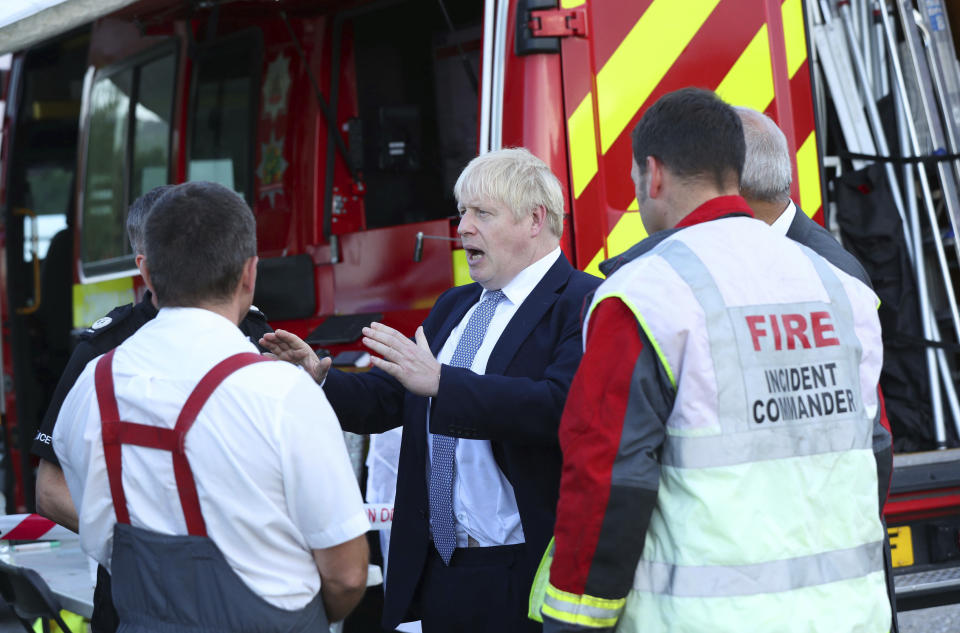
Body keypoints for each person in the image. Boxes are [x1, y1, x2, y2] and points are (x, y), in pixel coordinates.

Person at [537, 88, 891, 632]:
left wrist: (576, 620)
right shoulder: (839, 286)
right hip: (846, 615)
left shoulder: (645, 292)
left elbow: (607, 474)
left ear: (652, 175)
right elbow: (876, 450)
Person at [261, 147, 601, 633]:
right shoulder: (455, 305)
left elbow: (558, 409)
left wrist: (443, 383)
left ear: (534, 220)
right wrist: (318, 379)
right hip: (438, 571)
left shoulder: (582, 303)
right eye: (462, 212)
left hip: (521, 575)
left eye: (482, 213)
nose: (463, 228)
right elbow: (392, 398)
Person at [52, 181, 370, 631]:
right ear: (248, 274)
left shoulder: (93, 384)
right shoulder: (282, 392)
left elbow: (96, 525)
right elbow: (348, 574)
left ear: (148, 273)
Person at [33, 184, 274, 632]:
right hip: (133, 600)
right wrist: (137, 550)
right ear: (146, 263)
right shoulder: (104, 351)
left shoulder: (254, 334)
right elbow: (50, 489)